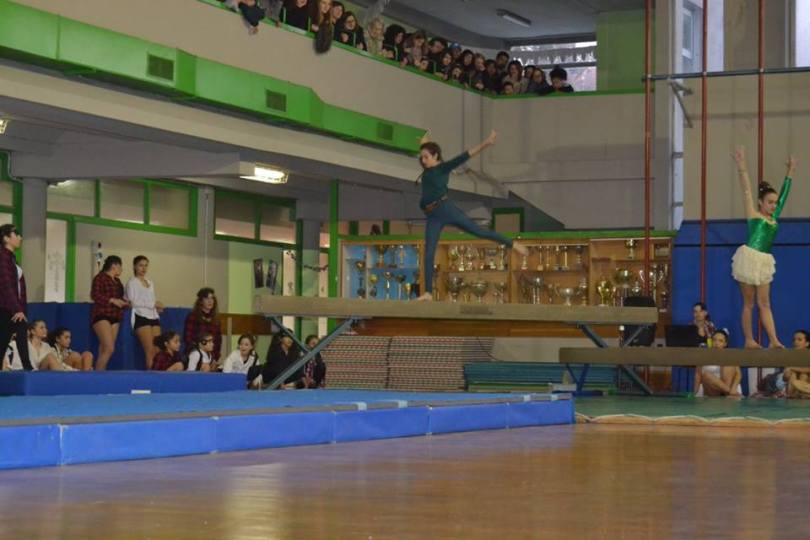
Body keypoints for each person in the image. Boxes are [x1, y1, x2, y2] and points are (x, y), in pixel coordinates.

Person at [415, 130, 528, 301]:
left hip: (445, 209)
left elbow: (466, 155)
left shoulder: (443, 168)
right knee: (428, 253)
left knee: (478, 231)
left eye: (426, 157)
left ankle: (513, 244)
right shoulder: (429, 168)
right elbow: (427, 151)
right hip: (432, 216)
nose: (423, 161)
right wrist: (424, 143)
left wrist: (487, 142)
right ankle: (429, 293)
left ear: (436, 156)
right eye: (421, 157)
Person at [731, 148, 796, 348]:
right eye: (770, 202)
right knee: (749, 303)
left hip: (764, 261)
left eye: (775, 203)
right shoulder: (753, 214)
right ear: (761, 202)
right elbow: (747, 190)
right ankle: (750, 340)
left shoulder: (774, 218)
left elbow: (784, 195)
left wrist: (791, 171)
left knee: (765, 303)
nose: (774, 206)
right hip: (749, 258)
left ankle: (774, 340)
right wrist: (741, 166)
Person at [0, 224, 32, 371]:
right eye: (16, 234)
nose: (20, 237)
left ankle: (27, 367)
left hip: (13, 308)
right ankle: (28, 367)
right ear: (6, 238)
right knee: (6, 339)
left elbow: (19, 288)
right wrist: (17, 309)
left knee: (17, 333)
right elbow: (6, 285)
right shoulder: (2, 257)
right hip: (6, 307)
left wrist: (21, 309)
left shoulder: (12, 259)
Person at [125, 255, 164, 370]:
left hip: (153, 317)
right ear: (135, 267)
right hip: (140, 316)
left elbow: (151, 299)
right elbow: (133, 302)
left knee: (158, 350)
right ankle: (150, 378)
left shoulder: (150, 282)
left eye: (146, 266)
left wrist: (156, 308)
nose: (143, 268)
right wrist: (153, 304)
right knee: (150, 350)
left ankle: (157, 376)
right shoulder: (132, 282)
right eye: (141, 265)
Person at [91, 255, 128, 371]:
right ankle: (97, 375)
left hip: (115, 316)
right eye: (120, 267)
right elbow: (95, 295)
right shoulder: (100, 278)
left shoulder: (118, 282)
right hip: (102, 314)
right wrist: (112, 300)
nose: (121, 270)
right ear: (114, 266)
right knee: (109, 348)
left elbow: (120, 298)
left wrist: (125, 303)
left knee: (104, 349)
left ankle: (101, 371)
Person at [693, 329, 742, 397]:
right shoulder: (704, 356)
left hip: (727, 385)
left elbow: (738, 374)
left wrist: (734, 388)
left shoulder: (730, 355)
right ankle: (729, 392)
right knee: (706, 375)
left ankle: (728, 393)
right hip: (711, 391)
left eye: (720, 341)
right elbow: (698, 375)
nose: (716, 343)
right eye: (714, 340)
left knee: (728, 364)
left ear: (725, 344)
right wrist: (695, 393)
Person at [183, 287, 223, 363]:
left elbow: (218, 341)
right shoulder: (193, 316)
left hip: (211, 356)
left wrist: (215, 358)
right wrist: (200, 352)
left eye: (212, 298)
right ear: (201, 301)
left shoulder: (216, 319)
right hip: (195, 354)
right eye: (207, 298)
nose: (210, 301)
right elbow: (188, 338)